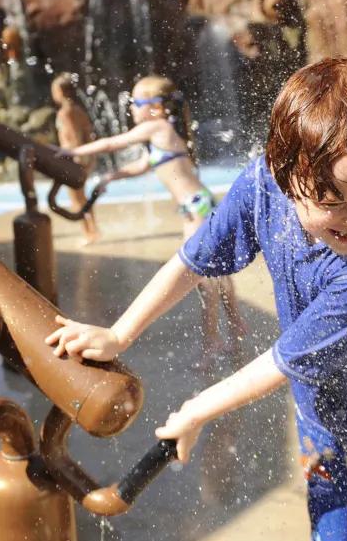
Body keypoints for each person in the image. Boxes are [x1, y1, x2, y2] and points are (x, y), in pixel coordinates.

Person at [47, 58, 347, 541]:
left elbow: (281, 362)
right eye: (334, 203)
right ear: (287, 172)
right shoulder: (261, 183)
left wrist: (196, 410)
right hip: (324, 422)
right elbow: (193, 259)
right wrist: (119, 333)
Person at [60, 74, 247, 349]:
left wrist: (70, 152)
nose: (131, 108)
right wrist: (109, 178)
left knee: (201, 275)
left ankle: (212, 342)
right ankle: (235, 324)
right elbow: (139, 166)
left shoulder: (157, 127)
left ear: (157, 108)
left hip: (197, 207)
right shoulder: (162, 135)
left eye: (136, 102)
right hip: (197, 204)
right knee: (215, 271)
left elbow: (113, 144)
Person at [50, 73, 100, 245]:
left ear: (61, 92)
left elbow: (73, 138)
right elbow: (88, 135)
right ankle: (93, 230)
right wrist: (89, 158)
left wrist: (71, 156)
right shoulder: (78, 110)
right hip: (82, 156)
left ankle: (89, 234)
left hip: (73, 158)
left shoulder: (65, 113)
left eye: (54, 90)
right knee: (82, 198)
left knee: (76, 199)